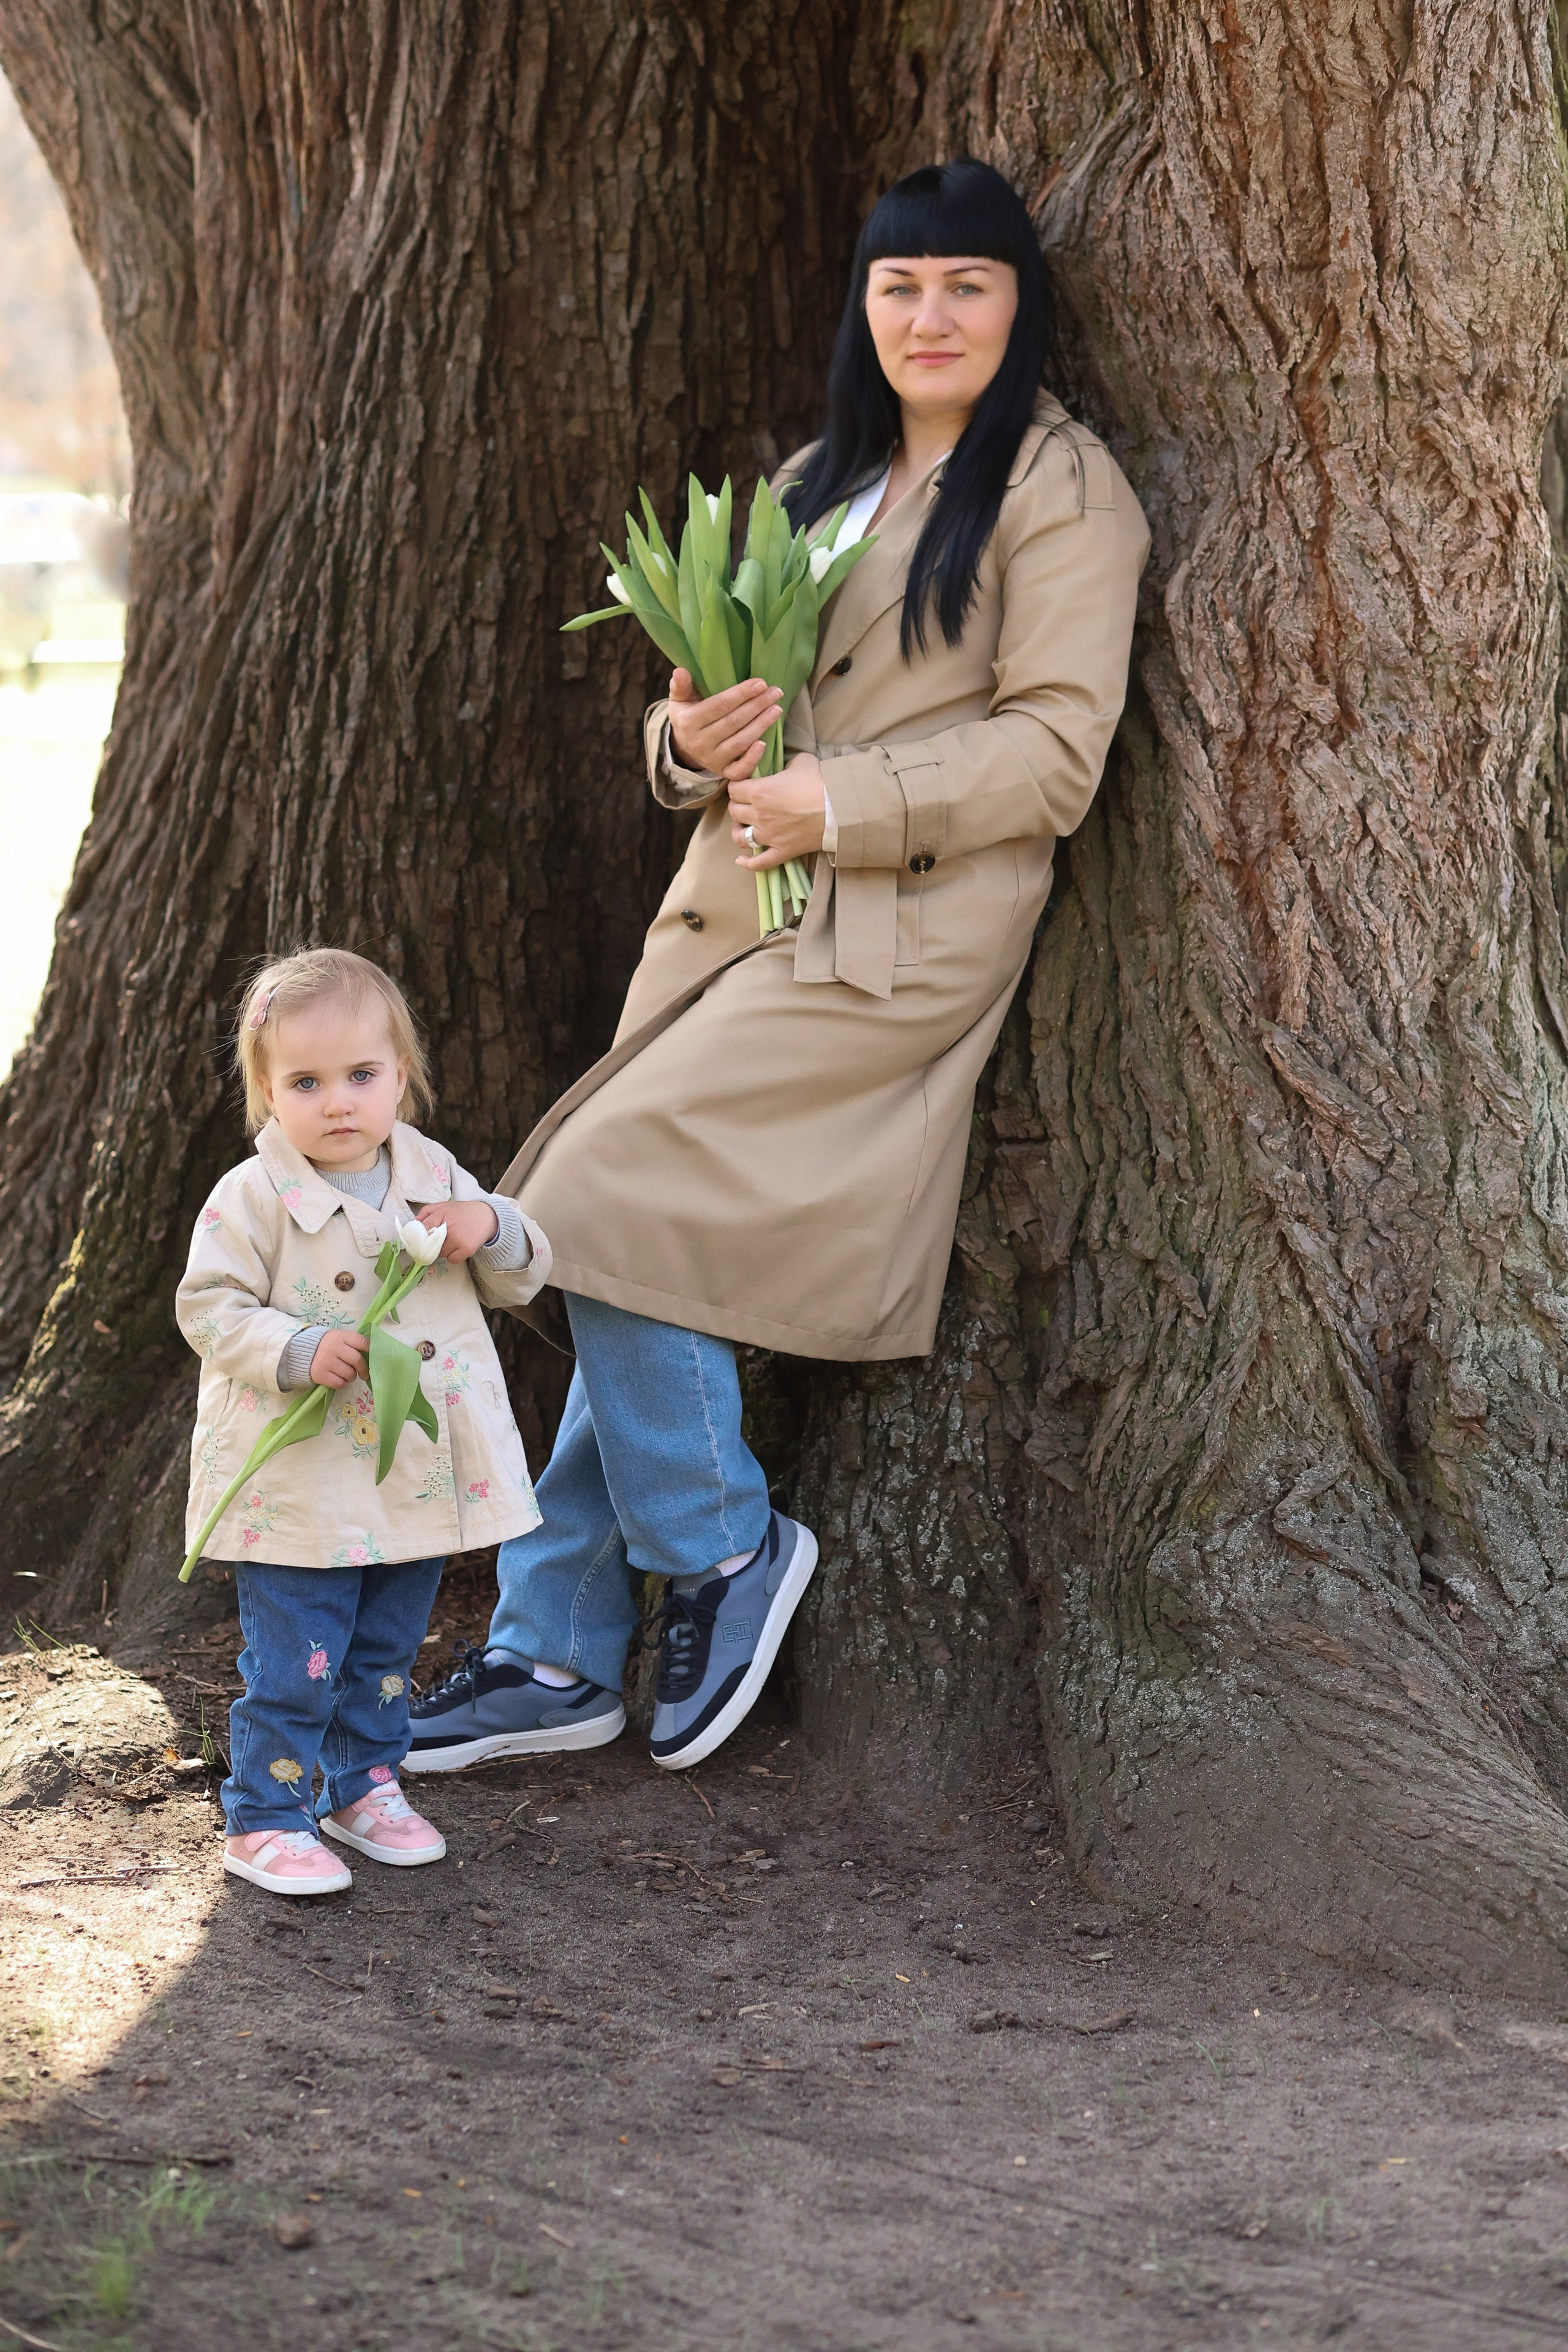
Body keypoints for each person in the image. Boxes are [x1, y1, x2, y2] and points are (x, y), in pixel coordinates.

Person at [406, 157, 1149, 1781]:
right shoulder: (821, 477)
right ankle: (552, 1650)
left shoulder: (1061, 490)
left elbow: (1056, 753)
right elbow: (720, 711)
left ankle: (721, 1553)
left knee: (594, 1194)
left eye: (967, 285)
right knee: (627, 1234)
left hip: (898, 932)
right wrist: (687, 739)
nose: (931, 315)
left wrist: (844, 802)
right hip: (732, 920)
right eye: (901, 286)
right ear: (863, 306)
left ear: (1019, 306)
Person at [176, 948, 552, 1896]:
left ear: (400, 1076)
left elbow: (516, 1278)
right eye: (306, 1083)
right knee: (298, 1659)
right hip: (301, 1481)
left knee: (387, 1649)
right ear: (267, 1091)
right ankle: (266, 1814)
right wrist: (296, 1346)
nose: (337, 1102)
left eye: (360, 1076)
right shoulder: (253, 1195)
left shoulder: (433, 1173)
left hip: (408, 1472)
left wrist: (491, 1225)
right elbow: (208, 1306)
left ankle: (363, 1783)